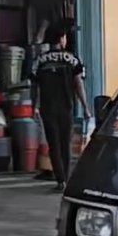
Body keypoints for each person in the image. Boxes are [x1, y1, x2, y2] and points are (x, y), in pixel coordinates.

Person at [34, 24, 90, 190]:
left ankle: (60, 180)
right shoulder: (72, 60)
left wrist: (34, 107)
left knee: (54, 144)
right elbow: (78, 84)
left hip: (47, 108)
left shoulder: (39, 61)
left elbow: (34, 87)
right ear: (61, 39)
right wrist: (85, 107)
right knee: (65, 143)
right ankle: (66, 178)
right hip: (66, 107)